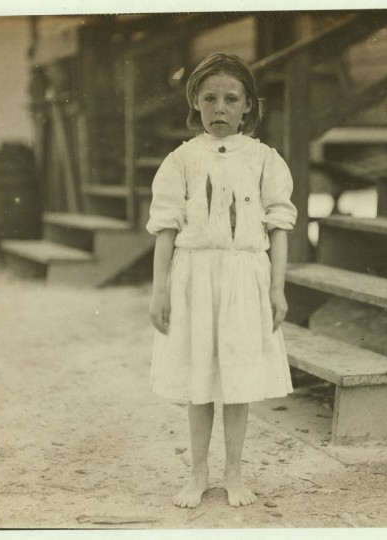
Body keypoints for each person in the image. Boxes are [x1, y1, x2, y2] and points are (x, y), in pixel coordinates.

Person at [146, 53, 297, 509]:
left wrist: (276, 287)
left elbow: (278, 227)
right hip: (194, 276)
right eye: (209, 98)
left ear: (248, 105)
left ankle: (234, 473)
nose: (220, 108)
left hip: (244, 276)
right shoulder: (181, 160)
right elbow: (166, 229)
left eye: (232, 99)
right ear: (195, 101)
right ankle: (197, 476)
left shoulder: (266, 159)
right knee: (199, 380)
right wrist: (160, 289)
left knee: (236, 380)